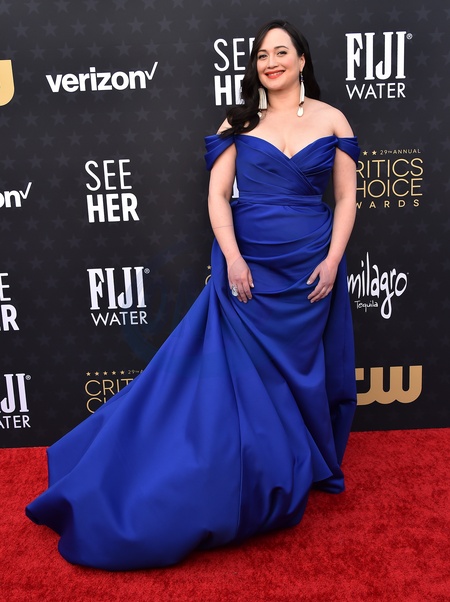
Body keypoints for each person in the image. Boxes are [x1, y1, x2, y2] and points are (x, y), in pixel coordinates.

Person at [26, 20, 360, 571]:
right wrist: (233, 258)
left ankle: (305, 459)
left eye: (281, 52)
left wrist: (332, 259)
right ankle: (257, 472)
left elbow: (346, 198)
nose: (271, 62)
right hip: (250, 271)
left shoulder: (332, 120)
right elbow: (218, 196)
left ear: (302, 60)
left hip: (310, 270)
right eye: (261, 55)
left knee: (300, 371)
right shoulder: (239, 121)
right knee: (248, 379)